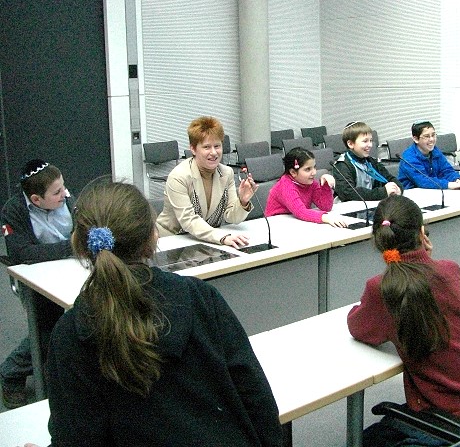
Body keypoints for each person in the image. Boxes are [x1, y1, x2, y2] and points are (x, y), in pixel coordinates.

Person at [36, 181, 283, 446]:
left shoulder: (70, 334)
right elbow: (256, 398)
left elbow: (76, 436)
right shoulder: (200, 298)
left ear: (80, 245)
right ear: (152, 237)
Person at [347, 195, 460, 445]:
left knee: (364, 440)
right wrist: (427, 257)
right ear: (422, 232)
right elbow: (429, 281)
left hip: (444, 421)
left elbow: (358, 328)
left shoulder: (382, 289)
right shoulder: (449, 269)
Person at [0, 159, 73, 409]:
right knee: (47, 331)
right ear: (36, 200)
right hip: (35, 280)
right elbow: (22, 254)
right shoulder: (14, 210)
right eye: (56, 192)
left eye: (63, 187)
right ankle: (11, 373)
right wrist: (69, 247)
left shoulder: (66, 198)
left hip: (69, 268)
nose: (64, 194)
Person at [156, 116, 256, 249]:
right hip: (173, 241)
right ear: (193, 149)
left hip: (207, 241)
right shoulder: (178, 177)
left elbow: (232, 218)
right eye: (207, 147)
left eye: (217, 146)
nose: (214, 152)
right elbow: (189, 220)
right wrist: (222, 237)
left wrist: (243, 202)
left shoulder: (226, 173)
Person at [265, 147, 347, 227]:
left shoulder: (310, 183)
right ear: (293, 172)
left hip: (297, 222)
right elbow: (300, 211)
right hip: (276, 225)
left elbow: (326, 207)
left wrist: (325, 185)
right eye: (308, 169)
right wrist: (325, 217)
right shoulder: (286, 186)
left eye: (314, 167)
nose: (314, 172)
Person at [333, 121, 403, 202]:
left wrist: (398, 188)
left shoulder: (371, 161)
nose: (370, 145)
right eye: (365, 141)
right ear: (350, 144)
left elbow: (390, 178)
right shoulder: (342, 165)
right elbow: (348, 193)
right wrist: (382, 192)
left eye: (370, 140)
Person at [397, 120, 460, 190]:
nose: (431, 139)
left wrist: (457, 179)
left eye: (433, 135)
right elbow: (423, 181)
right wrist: (448, 184)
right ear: (416, 139)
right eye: (427, 136)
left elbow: (447, 170)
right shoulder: (409, 157)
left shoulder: (435, 151)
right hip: (412, 194)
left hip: (433, 191)